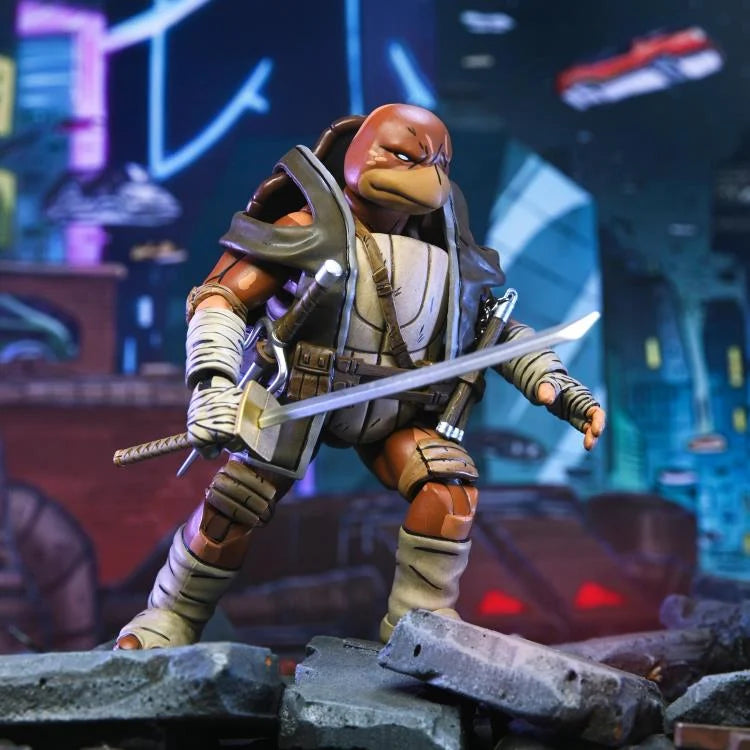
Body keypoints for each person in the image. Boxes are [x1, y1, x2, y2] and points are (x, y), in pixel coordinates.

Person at [115, 104, 605, 649]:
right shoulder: (305, 230)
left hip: (397, 407)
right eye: (405, 155)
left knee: (447, 491)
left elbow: (495, 333)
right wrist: (212, 385)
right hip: (298, 396)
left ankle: (421, 627)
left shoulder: (449, 260)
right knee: (235, 504)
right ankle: (169, 618)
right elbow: (220, 301)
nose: (427, 175)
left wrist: (562, 390)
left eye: (439, 163)